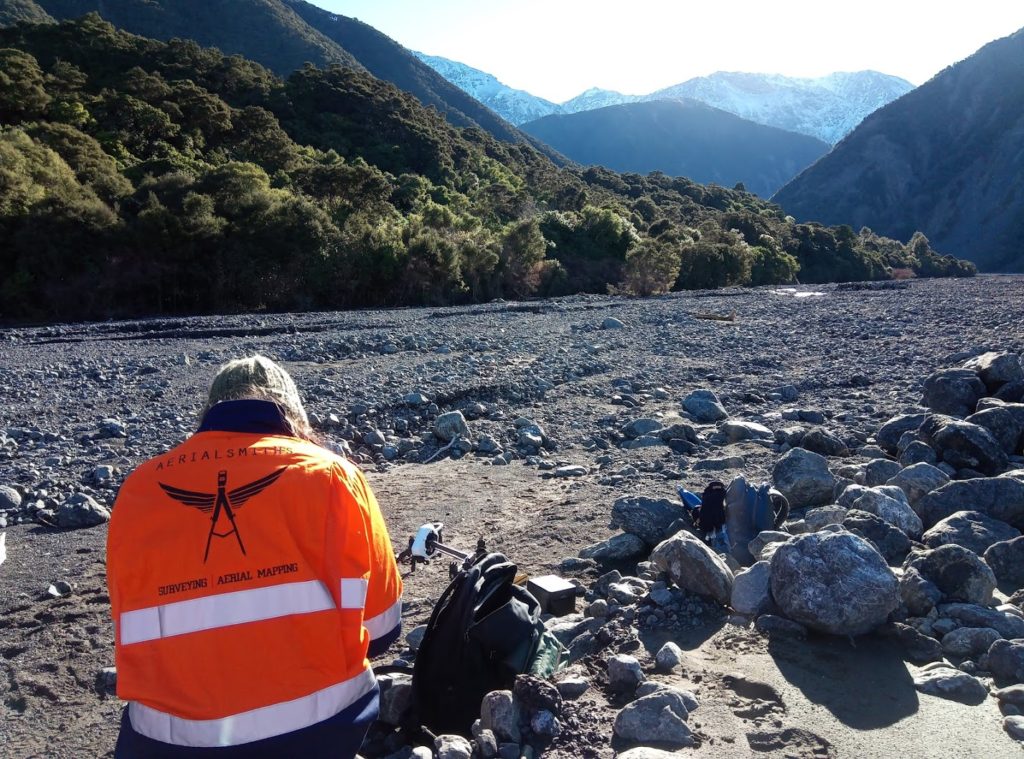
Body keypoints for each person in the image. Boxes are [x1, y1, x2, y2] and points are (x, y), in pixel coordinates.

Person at [107, 356, 403, 758]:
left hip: (166, 742)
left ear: (210, 414)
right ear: (294, 415)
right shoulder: (332, 475)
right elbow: (383, 630)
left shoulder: (138, 489)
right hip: (318, 732)